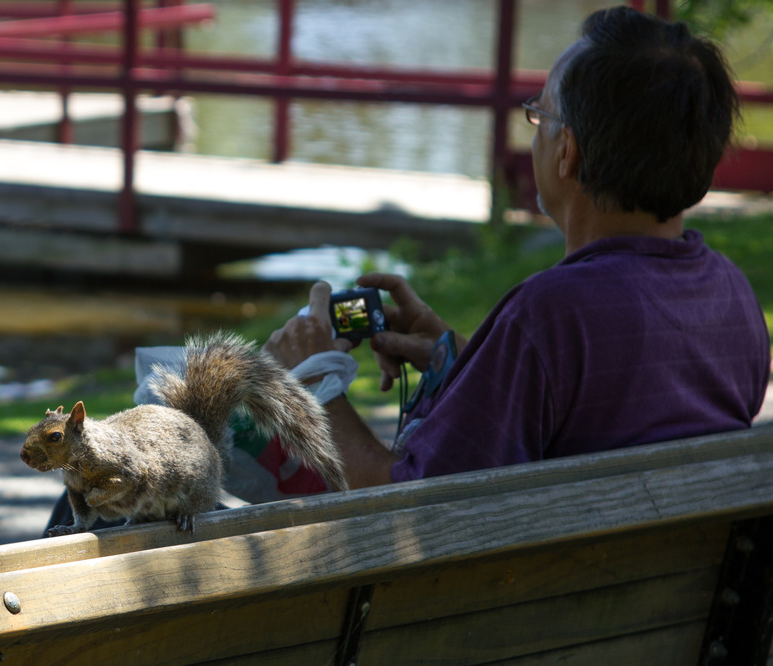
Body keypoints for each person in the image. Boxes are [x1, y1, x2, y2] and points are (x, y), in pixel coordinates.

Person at [263, 6, 771, 489]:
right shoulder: (733, 298)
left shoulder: (550, 317)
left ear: (566, 152)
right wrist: (472, 367)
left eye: (539, 116)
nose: (535, 136)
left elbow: (410, 516)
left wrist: (313, 386)